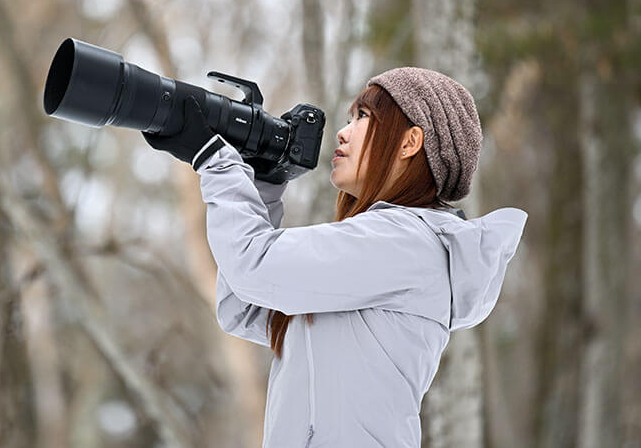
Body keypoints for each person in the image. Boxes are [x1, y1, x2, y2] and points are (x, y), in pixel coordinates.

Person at [142, 67, 529, 447]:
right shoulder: (379, 251)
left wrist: (214, 159)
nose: (344, 131)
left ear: (410, 142)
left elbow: (252, 267)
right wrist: (265, 182)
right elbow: (243, 308)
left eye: (364, 117)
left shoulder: (405, 243)